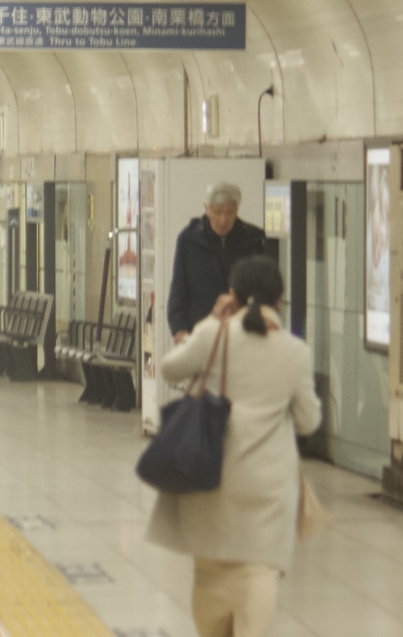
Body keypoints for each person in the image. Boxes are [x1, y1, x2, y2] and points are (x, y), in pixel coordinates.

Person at [146, 255, 322, 637]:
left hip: (212, 477)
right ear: (280, 300)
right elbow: (309, 421)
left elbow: (171, 367)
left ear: (233, 295)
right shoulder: (295, 352)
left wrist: (212, 320)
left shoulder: (215, 335)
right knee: (258, 573)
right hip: (269, 490)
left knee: (211, 576)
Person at [168, 181, 265, 344]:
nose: (223, 219)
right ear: (206, 209)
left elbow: (262, 290)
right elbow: (178, 288)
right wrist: (179, 329)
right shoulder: (189, 239)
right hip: (199, 333)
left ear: (237, 211)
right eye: (217, 212)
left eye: (229, 212)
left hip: (241, 334)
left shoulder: (253, 240)